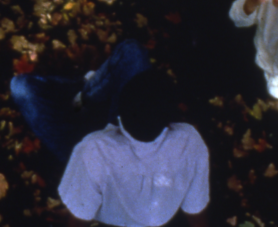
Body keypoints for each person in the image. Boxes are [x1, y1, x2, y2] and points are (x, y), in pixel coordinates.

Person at [58, 71, 210, 227]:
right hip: (123, 134)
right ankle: (88, 87)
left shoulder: (93, 150)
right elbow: (195, 208)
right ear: (168, 122)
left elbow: (79, 216)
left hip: (101, 142)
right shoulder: (190, 142)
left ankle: (86, 89)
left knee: (130, 51)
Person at [10, 40, 152, 164]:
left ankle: (86, 91)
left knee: (21, 87)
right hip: (118, 123)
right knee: (133, 51)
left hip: (76, 146)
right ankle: (86, 89)